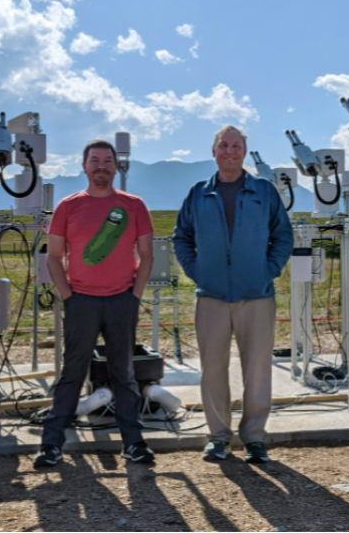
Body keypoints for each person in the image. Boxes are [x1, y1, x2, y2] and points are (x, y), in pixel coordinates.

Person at [172, 125, 293, 463]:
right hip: (210, 295)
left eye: (236, 145)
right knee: (213, 368)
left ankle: (254, 437)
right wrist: (198, 271)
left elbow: (283, 236)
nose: (229, 151)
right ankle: (218, 437)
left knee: (257, 369)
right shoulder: (199, 193)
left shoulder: (263, 191)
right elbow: (181, 237)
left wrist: (266, 270)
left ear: (244, 151)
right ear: (213, 151)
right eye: (223, 145)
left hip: (256, 295)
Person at [35, 139, 156, 468]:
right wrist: (69, 298)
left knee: (124, 374)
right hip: (82, 302)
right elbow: (55, 257)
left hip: (121, 300)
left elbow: (146, 255)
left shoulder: (133, 205)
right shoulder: (68, 206)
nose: (101, 166)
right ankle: (51, 444)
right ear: (84, 166)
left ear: (116, 166)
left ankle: (133, 442)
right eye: (95, 160)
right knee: (72, 372)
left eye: (107, 161)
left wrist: (135, 296)